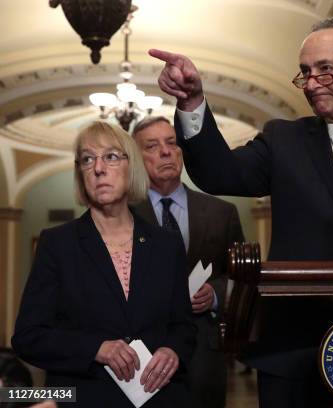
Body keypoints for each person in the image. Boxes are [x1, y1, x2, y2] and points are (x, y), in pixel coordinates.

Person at [150, 16, 333, 408]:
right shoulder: (283, 140)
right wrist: (192, 103)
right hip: (296, 353)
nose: (312, 83)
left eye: (325, 70)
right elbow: (219, 172)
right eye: (306, 73)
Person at [11, 121, 195, 407]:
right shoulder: (57, 244)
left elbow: (184, 326)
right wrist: (95, 348)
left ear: (131, 166)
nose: (98, 168)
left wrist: (173, 351)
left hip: (159, 397)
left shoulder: (166, 244)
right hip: (83, 397)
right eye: (87, 159)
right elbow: (27, 337)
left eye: (110, 156)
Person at [131, 116, 244, 408]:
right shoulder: (123, 216)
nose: (166, 151)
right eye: (152, 146)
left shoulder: (222, 212)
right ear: (135, 158)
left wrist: (216, 293)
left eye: (172, 143)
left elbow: (243, 278)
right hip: (140, 352)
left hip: (204, 353)